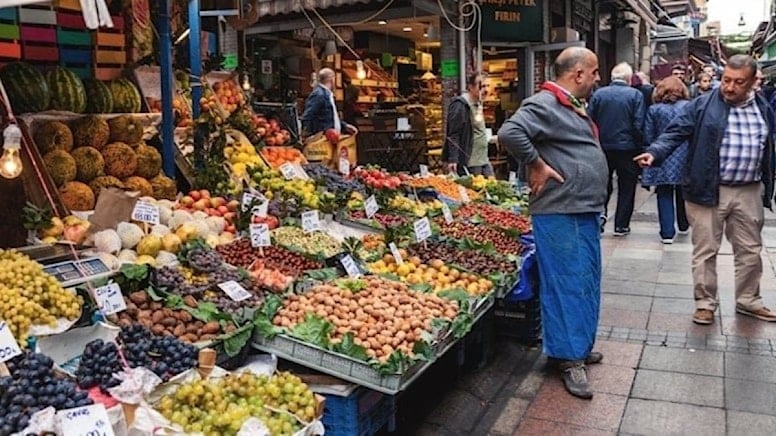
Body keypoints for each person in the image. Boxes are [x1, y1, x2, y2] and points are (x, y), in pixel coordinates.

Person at [498, 47, 607, 399]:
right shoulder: (544, 103)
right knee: (567, 283)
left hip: (580, 208)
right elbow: (510, 133)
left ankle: (575, 346)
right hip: (560, 210)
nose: (597, 78)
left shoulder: (569, 104)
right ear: (577, 74)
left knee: (585, 278)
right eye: (593, 72)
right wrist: (537, 164)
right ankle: (568, 359)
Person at [634, 54, 776, 325]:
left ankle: (749, 300)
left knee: (750, 250)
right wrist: (654, 153)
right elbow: (674, 133)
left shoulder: (762, 107)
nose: (730, 87)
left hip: (748, 189)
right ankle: (705, 303)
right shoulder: (701, 105)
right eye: (726, 80)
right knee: (706, 250)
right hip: (707, 187)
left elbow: (768, 144)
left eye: (738, 82)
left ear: (753, 82)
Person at [588, 63, 646, 236]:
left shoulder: (599, 94)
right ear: (628, 79)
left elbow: (589, 121)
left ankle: (600, 216)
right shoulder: (635, 95)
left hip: (603, 147)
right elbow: (638, 124)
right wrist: (640, 146)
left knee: (603, 184)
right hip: (627, 148)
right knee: (627, 186)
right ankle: (621, 225)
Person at [640, 77, 690, 244]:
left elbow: (648, 134)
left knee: (664, 192)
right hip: (684, 154)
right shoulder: (688, 107)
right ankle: (684, 223)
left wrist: (650, 152)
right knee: (683, 191)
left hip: (662, 154)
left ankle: (667, 232)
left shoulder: (654, 110)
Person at [443, 72, 493, 176]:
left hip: (483, 160)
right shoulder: (460, 105)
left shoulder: (478, 104)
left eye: (488, 86)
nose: (486, 90)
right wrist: (453, 159)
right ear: (470, 87)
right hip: (470, 162)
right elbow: (453, 134)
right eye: (482, 86)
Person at [301, 68, 358, 137]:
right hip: (323, 138)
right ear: (332, 80)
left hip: (330, 137)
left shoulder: (327, 94)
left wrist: (344, 126)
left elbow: (329, 117)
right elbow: (308, 116)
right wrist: (311, 135)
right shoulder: (319, 94)